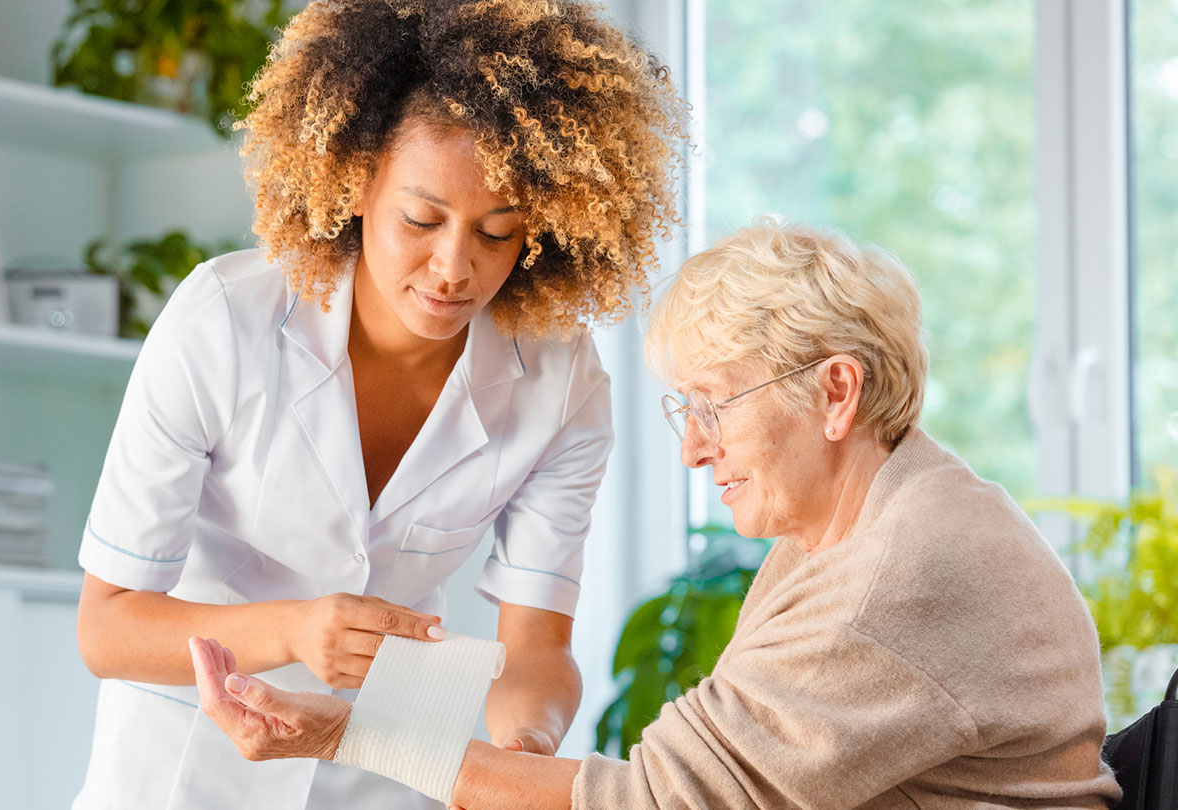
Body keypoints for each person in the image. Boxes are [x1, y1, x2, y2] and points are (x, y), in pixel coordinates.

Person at [188, 219, 1124, 810]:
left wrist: (341, 728)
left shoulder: (889, 577)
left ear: (836, 392)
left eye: (714, 405)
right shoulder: (867, 524)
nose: (693, 448)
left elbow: (647, 804)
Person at [70, 1, 686, 808]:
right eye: (421, 219)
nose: (453, 268)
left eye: (497, 233)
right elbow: (107, 627)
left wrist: (518, 752)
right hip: (185, 757)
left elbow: (537, 647)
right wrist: (292, 632)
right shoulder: (224, 319)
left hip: (385, 763)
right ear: (356, 181)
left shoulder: (561, 382)